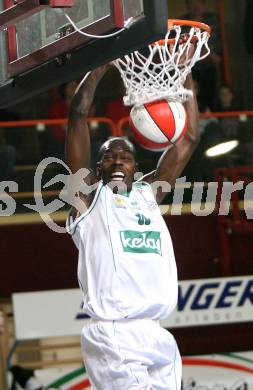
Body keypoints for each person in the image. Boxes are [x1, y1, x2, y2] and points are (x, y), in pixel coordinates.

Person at [65, 60, 199, 389]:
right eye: (109, 157)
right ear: (96, 168)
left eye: (124, 157)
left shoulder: (148, 195)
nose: (117, 161)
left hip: (156, 332)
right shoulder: (88, 199)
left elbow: (190, 138)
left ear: (136, 168)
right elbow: (78, 115)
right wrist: (98, 66)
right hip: (113, 332)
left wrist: (186, 75)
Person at [179, 0, 222, 110]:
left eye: (198, 3)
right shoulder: (182, 23)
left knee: (212, 95)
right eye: (192, 4)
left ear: (203, 5)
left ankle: (211, 115)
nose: (195, 6)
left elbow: (219, 43)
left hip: (210, 65)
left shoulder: (213, 20)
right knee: (191, 94)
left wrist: (213, 55)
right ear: (187, 6)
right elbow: (182, 48)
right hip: (191, 67)